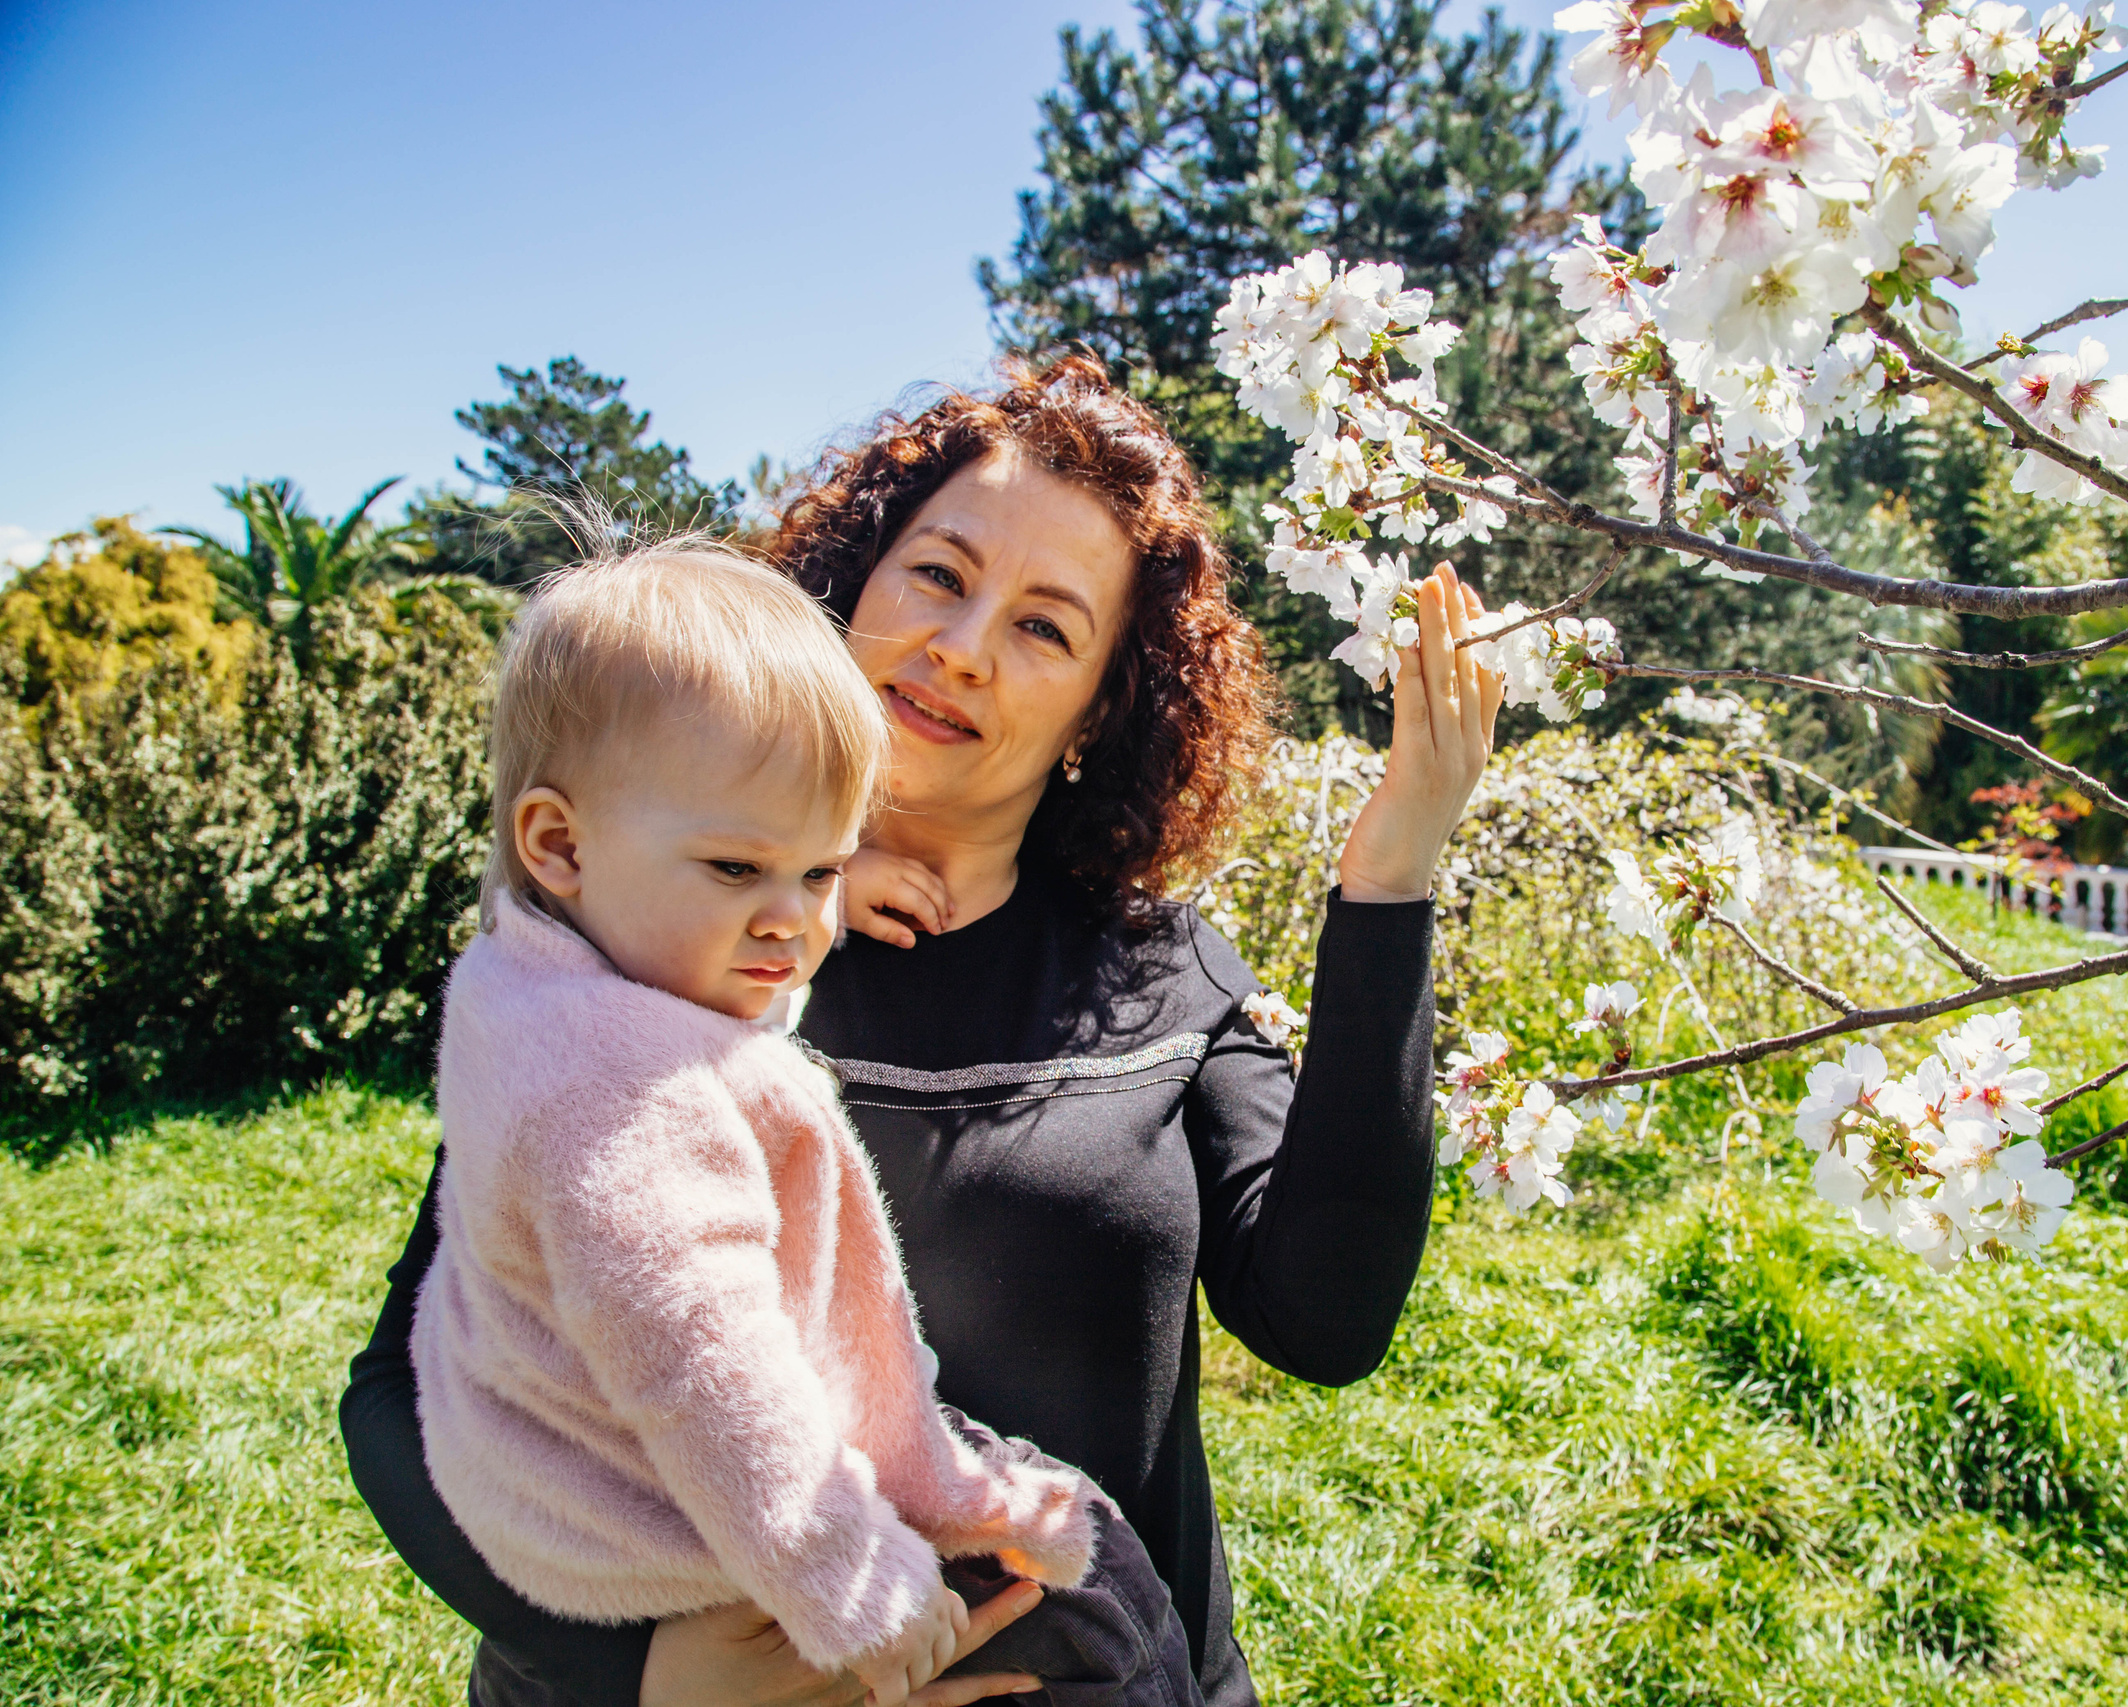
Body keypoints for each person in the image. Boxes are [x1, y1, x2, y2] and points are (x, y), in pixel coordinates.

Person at [342, 354, 1505, 1707]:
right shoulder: (646, 948)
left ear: (1098, 713)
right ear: (850, 589)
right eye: (939, 575)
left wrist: (1392, 879)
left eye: (1046, 627)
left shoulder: (1162, 977)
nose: (961, 646)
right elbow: (406, 1384)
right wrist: (648, 1673)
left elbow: (1325, 1317)